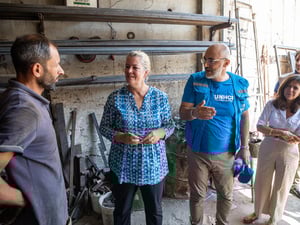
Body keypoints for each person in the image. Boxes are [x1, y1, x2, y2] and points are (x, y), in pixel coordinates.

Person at [0, 34, 69, 225]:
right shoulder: (25, 110)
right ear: (37, 69)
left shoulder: (21, 98)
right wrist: (23, 199)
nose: (61, 71)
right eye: (56, 64)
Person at [100, 50, 174, 225]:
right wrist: (120, 136)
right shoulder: (115, 98)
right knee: (122, 211)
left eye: (135, 67)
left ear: (146, 72)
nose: (129, 71)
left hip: (153, 166)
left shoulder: (160, 98)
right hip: (123, 166)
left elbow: (169, 125)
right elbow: (103, 127)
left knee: (154, 212)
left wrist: (160, 133)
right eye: (127, 67)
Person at [179, 43, 250, 225]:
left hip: (226, 154)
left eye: (212, 60)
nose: (206, 64)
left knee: (226, 196)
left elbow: (244, 115)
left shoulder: (238, 85)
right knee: (197, 196)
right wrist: (195, 113)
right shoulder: (195, 80)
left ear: (226, 63)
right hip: (198, 152)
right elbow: (183, 112)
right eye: (205, 59)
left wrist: (245, 147)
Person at [243, 75, 300, 225]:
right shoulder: (272, 104)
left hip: (289, 152)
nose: (291, 90)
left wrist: (273, 130)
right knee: (262, 181)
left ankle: (274, 218)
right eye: (288, 86)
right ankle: (257, 212)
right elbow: (260, 126)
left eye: (295, 88)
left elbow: (298, 137)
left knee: (282, 185)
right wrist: (281, 133)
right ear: (283, 88)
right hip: (268, 148)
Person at [273, 51, 300, 198]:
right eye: (297, 60)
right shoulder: (286, 78)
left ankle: (293, 182)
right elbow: (276, 97)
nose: (299, 63)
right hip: (286, 123)